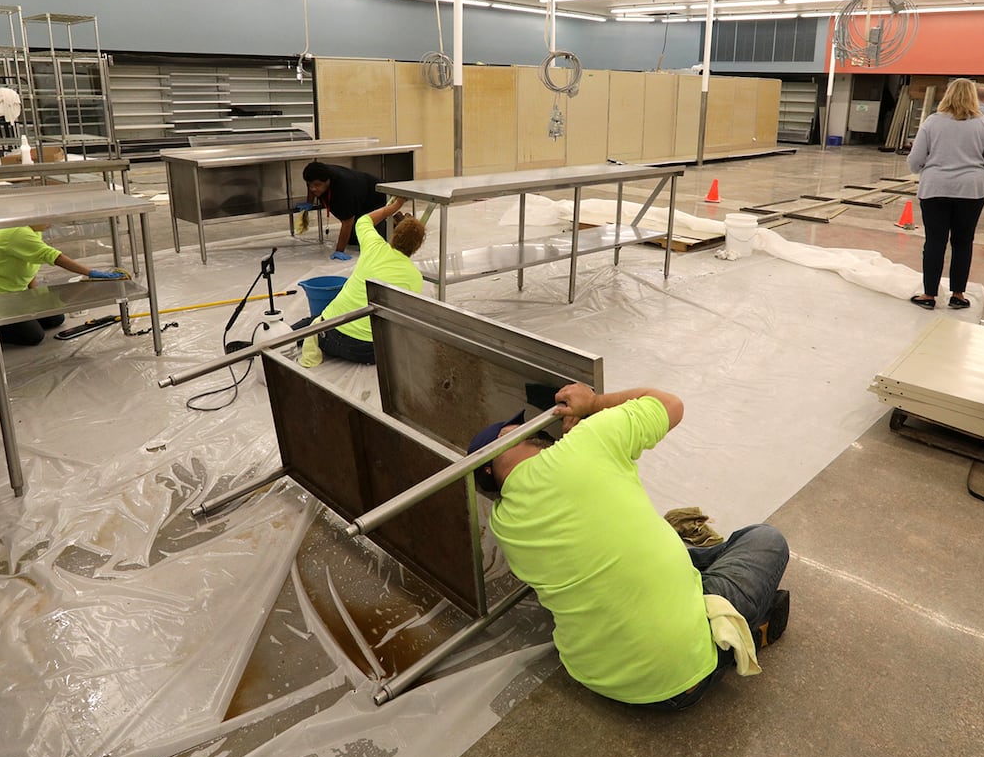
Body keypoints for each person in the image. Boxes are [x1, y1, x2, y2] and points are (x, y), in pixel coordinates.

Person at [470, 382, 790, 711]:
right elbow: (670, 404)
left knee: (663, 553)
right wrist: (594, 403)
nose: (524, 426)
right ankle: (735, 640)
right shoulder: (588, 442)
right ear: (490, 463)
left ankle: (705, 602)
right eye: (510, 430)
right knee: (764, 539)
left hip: (596, 676)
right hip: (680, 677)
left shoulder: (503, 523)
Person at [907, 77, 984, 310]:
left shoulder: (932, 122)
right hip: (971, 191)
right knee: (963, 242)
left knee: (934, 242)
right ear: (975, 97)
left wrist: (932, 165)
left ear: (947, 95)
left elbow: (914, 162)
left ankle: (929, 295)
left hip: (935, 189)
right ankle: (958, 294)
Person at [295, 196, 424, 364]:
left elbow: (364, 221)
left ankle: (270, 340)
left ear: (394, 235)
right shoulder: (414, 277)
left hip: (328, 335)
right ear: (417, 247)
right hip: (367, 351)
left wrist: (392, 208)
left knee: (311, 322)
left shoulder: (373, 246)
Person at [0, 225, 125, 345]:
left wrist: (34, 297)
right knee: (33, 336)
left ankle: (18, 321)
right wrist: (91, 272)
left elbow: (29, 260)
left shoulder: (34, 231)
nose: (51, 223)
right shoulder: (18, 232)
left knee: (55, 319)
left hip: (17, 293)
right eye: (47, 219)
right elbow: (54, 257)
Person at [302, 161, 389, 260]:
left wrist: (339, 251)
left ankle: (396, 223)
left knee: (370, 244)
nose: (313, 188)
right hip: (358, 195)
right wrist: (309, 202)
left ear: (327, 181)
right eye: (310, 185)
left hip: (376, 195)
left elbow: (347, 222)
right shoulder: (314, 175)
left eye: (317, 185)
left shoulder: (344, 188)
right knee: (352, 240)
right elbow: (312, 185)